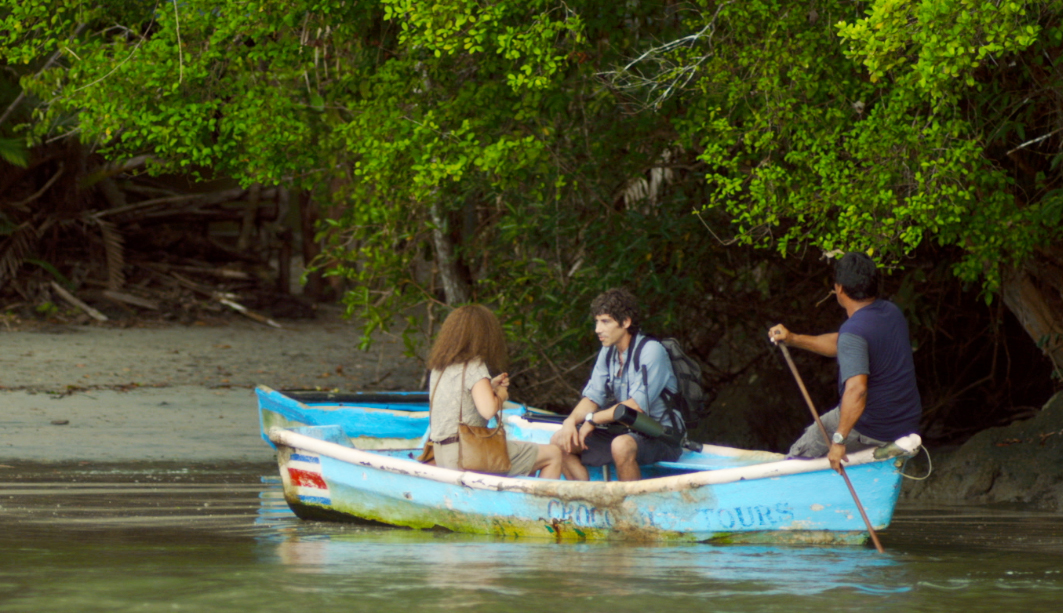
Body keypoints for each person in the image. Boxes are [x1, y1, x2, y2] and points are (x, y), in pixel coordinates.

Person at [769, 252, 922, 473]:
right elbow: (842, 343)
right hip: (905, 424)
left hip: (872, 426)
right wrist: (793, 339)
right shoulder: (890, 312)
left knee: (797, 458)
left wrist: (839, 441)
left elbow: (857, 390)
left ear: (839, 288)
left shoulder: (854, 332)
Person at [550, 288, 684, 481]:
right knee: (560, 441)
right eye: (596, 321)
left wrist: (592, 420)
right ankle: (590, 501)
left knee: (621, 445)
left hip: (662, 435)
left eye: (605, 322)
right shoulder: (608, 351)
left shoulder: (652, 351)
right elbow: (593, 397)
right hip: (625, 430)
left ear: (626, 322)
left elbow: (635, 406)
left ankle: (629, 508)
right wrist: (570, 422)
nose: (597, 329)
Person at [427, 304, 562, 478]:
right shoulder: (474, 366)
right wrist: (501, 395)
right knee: (553, 454)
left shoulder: (439, 368)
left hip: (441, 455)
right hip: (468, 454)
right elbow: (488, 410)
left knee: (527, 455)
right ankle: (535, 505)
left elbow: (459, 398)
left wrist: (489, 386)